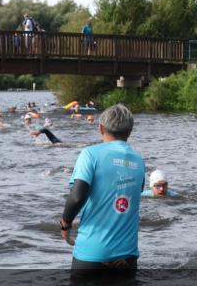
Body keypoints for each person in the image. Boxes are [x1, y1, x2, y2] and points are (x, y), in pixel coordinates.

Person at [60, 104, 146, 273]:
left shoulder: (90, 154)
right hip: (127, 255)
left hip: (92, 254)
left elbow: (77, 196)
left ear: (100, 128)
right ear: (130, 131)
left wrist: (65, 224)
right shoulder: (139, 160)